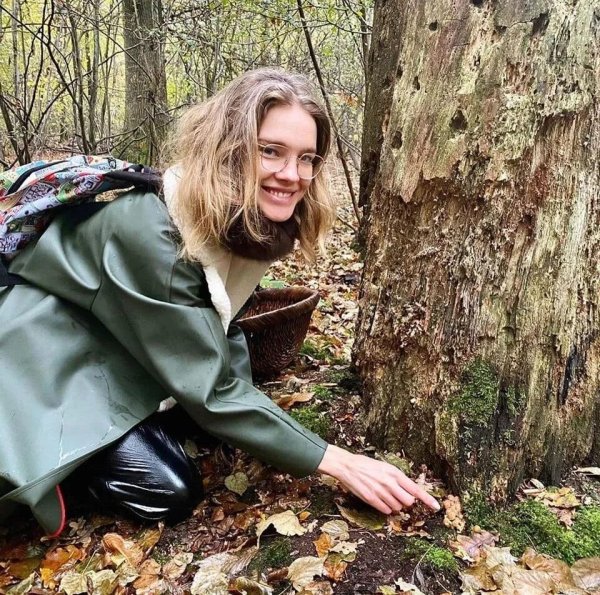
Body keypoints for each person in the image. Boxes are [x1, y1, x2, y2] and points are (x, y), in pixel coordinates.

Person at [0, 68, 439, 537]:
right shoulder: (162, 234)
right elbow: (210, 388)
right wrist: (336, 461)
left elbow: (219, 320)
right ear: (229, 149)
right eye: (271, 151)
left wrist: (244, 414)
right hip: (35, 358)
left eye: (307, 158)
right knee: (167, 489)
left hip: (107, 341)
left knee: (197, 435)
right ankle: (58, 477)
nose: (292, 175)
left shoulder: (240, 219)